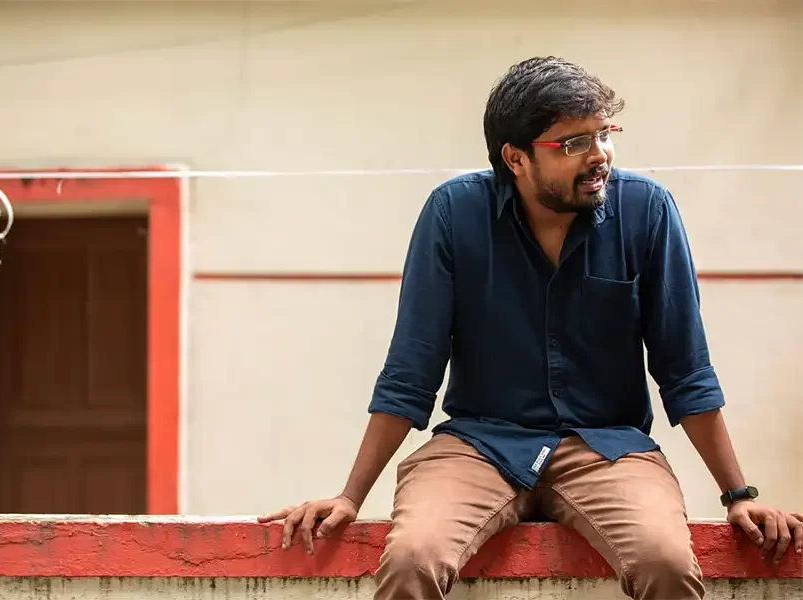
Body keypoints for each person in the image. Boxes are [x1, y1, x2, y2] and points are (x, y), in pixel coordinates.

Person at [258, 56, 803, 600]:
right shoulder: (453, 214)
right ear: (515, 158)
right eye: (573, 144)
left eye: (603, 135)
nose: (599, 157)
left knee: (666, 563)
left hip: (608, 447)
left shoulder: (647, 211)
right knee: (411, 559)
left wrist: (738, 493)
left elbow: (684, 368)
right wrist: (351, 496)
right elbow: (411, 369)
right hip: (479, 443)